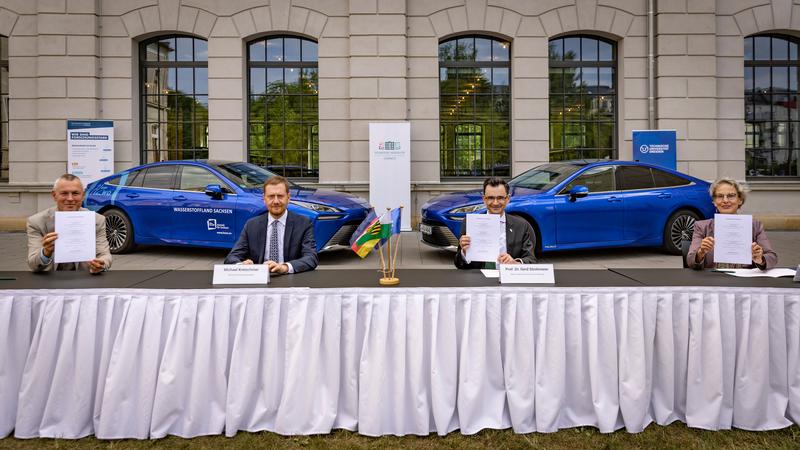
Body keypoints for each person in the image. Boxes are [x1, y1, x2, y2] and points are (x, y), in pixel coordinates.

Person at [224, 175, 318, 274]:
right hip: (260, 280)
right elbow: (231, 258)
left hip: (290, 279)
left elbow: (311, 258)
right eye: (271, 196)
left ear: (288, 198)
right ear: (264, 199)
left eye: (280, 196)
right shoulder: (251, 225)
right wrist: (242, 266)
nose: (276, 201)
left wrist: (284, 267)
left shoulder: (303, 224)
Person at [27, 173, 112, 273]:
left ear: (83, 196)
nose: (70, 199)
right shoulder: (37, 222)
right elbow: (33, 264)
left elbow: (104, 254)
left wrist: (101, 264)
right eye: (64, 193)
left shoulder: (96, 220)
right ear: (54, 195)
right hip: (49, 281)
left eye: (75, 193)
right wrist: (45, 253)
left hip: (85, 280)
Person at [687, 177, 777, 270]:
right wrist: (701, 252)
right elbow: (690, 261)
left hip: (745, 281)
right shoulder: (702, 227)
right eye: (720, 196)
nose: (725, 200)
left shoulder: (754, 226)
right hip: (713, 280)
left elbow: (772, 257)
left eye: (731, 195)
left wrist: (760, 259)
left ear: (740, 200)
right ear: (714, 202)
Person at [455, 176, 536, 269]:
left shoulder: (521, 226)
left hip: (508, 278)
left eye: (500, 198)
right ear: (484, 199)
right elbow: (459, 264)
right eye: (490, 198)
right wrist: (464, 252)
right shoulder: (470, 223)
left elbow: (531, 260)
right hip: (479, 279)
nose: (495, 203)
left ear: (507, 199)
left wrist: (515, 263)